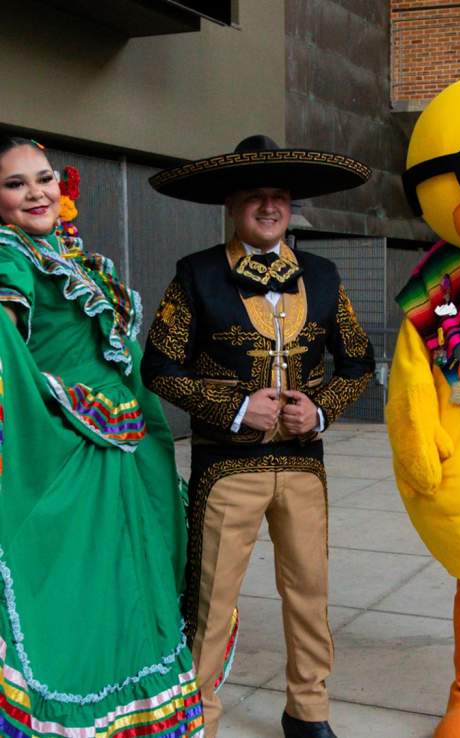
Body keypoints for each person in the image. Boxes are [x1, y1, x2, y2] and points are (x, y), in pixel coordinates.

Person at [141, 134, 375, 738]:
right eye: (254, 197)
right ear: (231, 205)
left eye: (279, 197)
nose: (269, 207)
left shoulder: (322, 275)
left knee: (309, 594)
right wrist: (236, 407)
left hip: (304, 465)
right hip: (227, 468)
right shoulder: (194, 274)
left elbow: (359, 363)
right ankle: (198, 718)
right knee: (211, 601)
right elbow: (160, 368)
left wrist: (318, 412)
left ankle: (308, 710)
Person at [0, 136, 202, 736]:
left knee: (127, 594)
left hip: (121, 456)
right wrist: (45, 431)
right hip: (68, 452)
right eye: (15, 184)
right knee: (75, 601)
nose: (36, 192)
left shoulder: (64, 252)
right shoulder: (10, 256)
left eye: (43, 178)